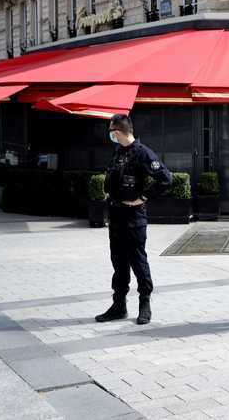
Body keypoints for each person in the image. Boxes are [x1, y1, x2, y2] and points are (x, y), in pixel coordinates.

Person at [96, 114, 173, 324]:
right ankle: (118, 305)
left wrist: (143, 197)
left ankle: (144, 305)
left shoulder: (142, 153)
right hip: (116, 215)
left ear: (117, 132)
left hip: (133, 218)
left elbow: (166, 179)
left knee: (138, 262)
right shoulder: (118, 152)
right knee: (119, 262)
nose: (110, 135)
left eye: (111, 131)